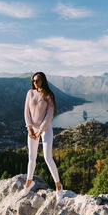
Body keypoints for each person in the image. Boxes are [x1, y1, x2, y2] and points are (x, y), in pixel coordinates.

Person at [21, 71, 63, 201]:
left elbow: (49, 115)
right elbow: (26, 111)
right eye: (33, 80)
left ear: (43, 80)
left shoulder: (49, 95)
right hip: (32, 129)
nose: (35, 82)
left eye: (37, 80)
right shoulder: (30, 93)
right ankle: (29, 183)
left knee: (47, 157)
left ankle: (58, 186)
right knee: (31, 157)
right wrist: (29, 128)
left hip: (45, 129)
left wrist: (40, 130)